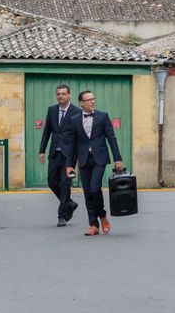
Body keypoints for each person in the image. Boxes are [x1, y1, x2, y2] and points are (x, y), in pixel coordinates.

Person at [65, 90, 124, 236]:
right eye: (89, 99)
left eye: (93, 99)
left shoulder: (103, 117)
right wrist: (69, 165)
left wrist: (118, 158)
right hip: (84, 159)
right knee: (87, 193)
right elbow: (72, 144)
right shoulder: (74, 120)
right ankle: (93, 224)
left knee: (94, 188)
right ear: (81, 103)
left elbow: (112, 138)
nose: (93, 102)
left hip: (100, 158)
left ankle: (102, 216)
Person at [38, 85, 80, 227]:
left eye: (63, 94)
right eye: (58, 94)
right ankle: (69, 203)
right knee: (51, 181)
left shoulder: (76, 112)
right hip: (54, 153)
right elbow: (46, 132)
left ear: (69, 95)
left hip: (69, 155)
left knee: (65, 184)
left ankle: (62, 216)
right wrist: (41, 150)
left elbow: (78, 135)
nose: (60, 96)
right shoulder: (51, 110)